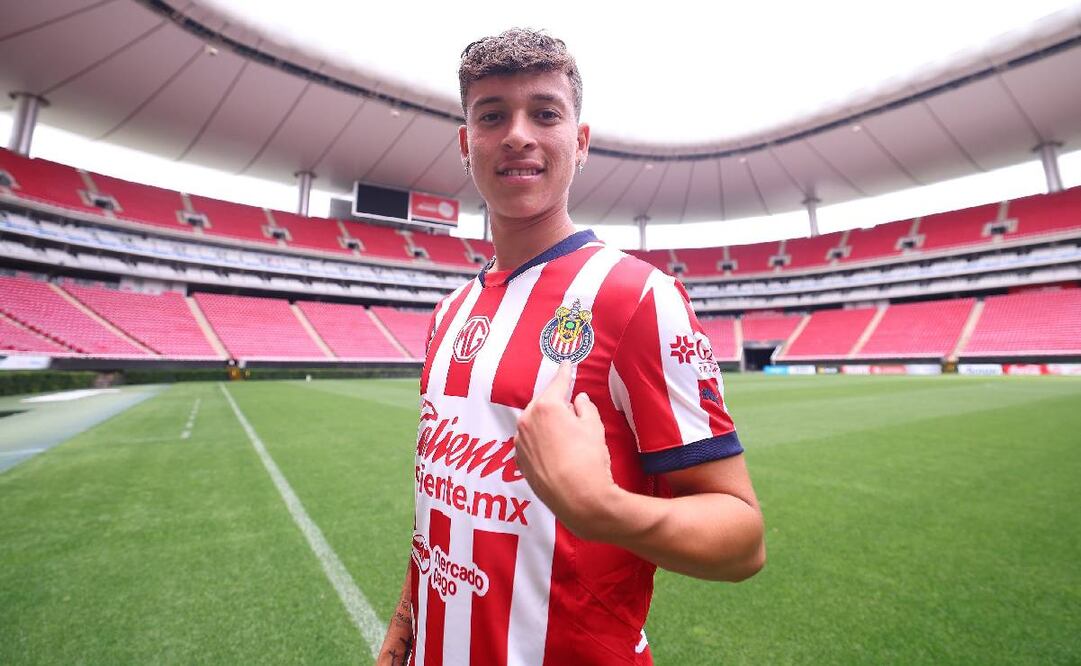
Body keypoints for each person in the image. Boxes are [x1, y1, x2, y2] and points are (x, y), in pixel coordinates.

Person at [376, 28, 765, 666]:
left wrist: (604, 510)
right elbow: (441, 516)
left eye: (545, 113)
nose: (518, 134)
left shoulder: (636, 296)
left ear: (579, 143)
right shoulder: (450, 311)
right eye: (492, 115)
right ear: (466, 144)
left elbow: (742, 539)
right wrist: (402, 633)